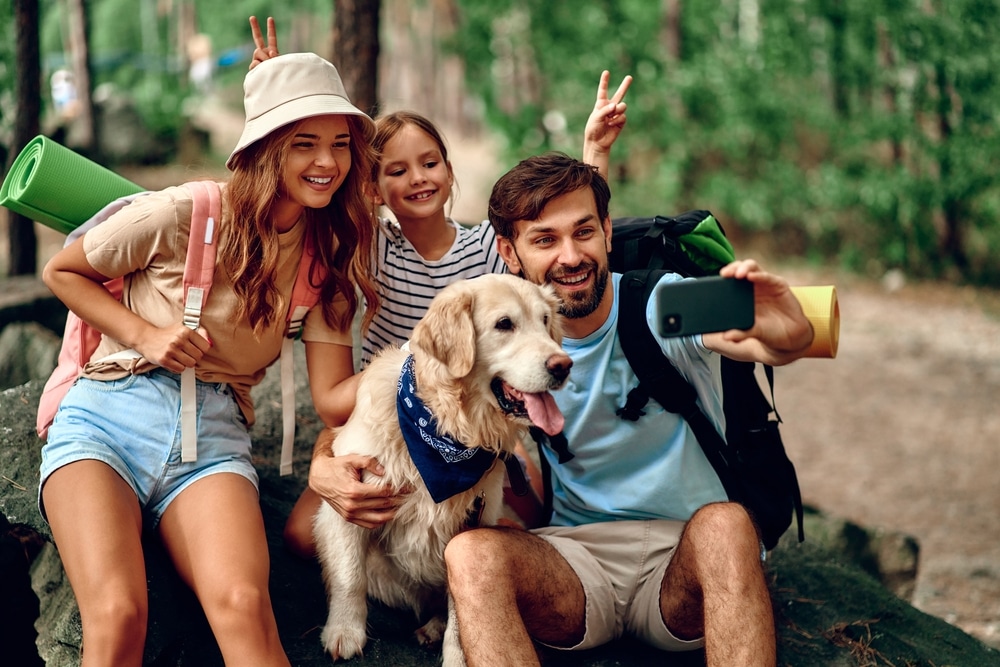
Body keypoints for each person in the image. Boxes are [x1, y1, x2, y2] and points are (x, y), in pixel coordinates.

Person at [246, 16, 635, 556]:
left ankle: (469, 590)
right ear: (374, 187)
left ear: (450, 173)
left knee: (516, 524)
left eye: (430, 163)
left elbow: (566, 242)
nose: (418, 178)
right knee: (303, 535)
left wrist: (596, 154)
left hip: (477, 409)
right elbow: (315, 203)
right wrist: (280, 108)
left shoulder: (484, 251)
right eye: (397, 170)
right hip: (394, 411)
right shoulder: (370, 248)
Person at [38, 50, 378, 666]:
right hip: (107, 418)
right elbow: (63, 270)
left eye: (341, 144)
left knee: (245, 605)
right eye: (304, 143)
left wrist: (416, 362)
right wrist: (144, 334)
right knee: (117, 616)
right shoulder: (184, 211)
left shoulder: (326, 262)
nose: (328, 162)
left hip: (214, 440)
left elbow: (333, 399)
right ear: (266, 147)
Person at [438, 152, 815, 666]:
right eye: (545, 239)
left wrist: (789, 328)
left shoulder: (664, 304)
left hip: (684, 562)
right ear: (510, 250)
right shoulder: (497, 340)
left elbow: (767, 340)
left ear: (608, 231)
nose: (570, 256)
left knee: (728, 525)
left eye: (584, 232)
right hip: (576, 563)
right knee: (469, 555)